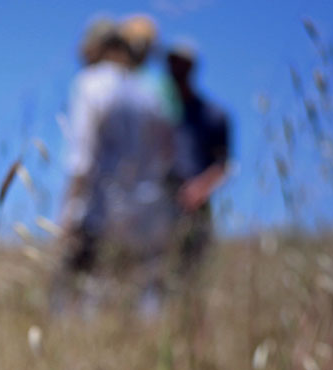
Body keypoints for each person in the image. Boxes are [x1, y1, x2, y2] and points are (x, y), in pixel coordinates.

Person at [51, 17, 176, 315]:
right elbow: (165, 157)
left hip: (99, 207)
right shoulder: (149, 94)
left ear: (100, 48)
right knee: (137, 297)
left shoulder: (90, 84)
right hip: (145, 210)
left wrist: (67, 213)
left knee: (79, 295)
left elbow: (82, 158)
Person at [166, 39, 230, 285]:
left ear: (191, 68)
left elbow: (223, 165)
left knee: (192, 272)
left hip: (197, 206)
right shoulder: (159, 112)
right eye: (171, 64)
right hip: (160, 201)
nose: (174, 70)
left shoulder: (213, 115)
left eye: (180, 65)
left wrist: (199, 190)